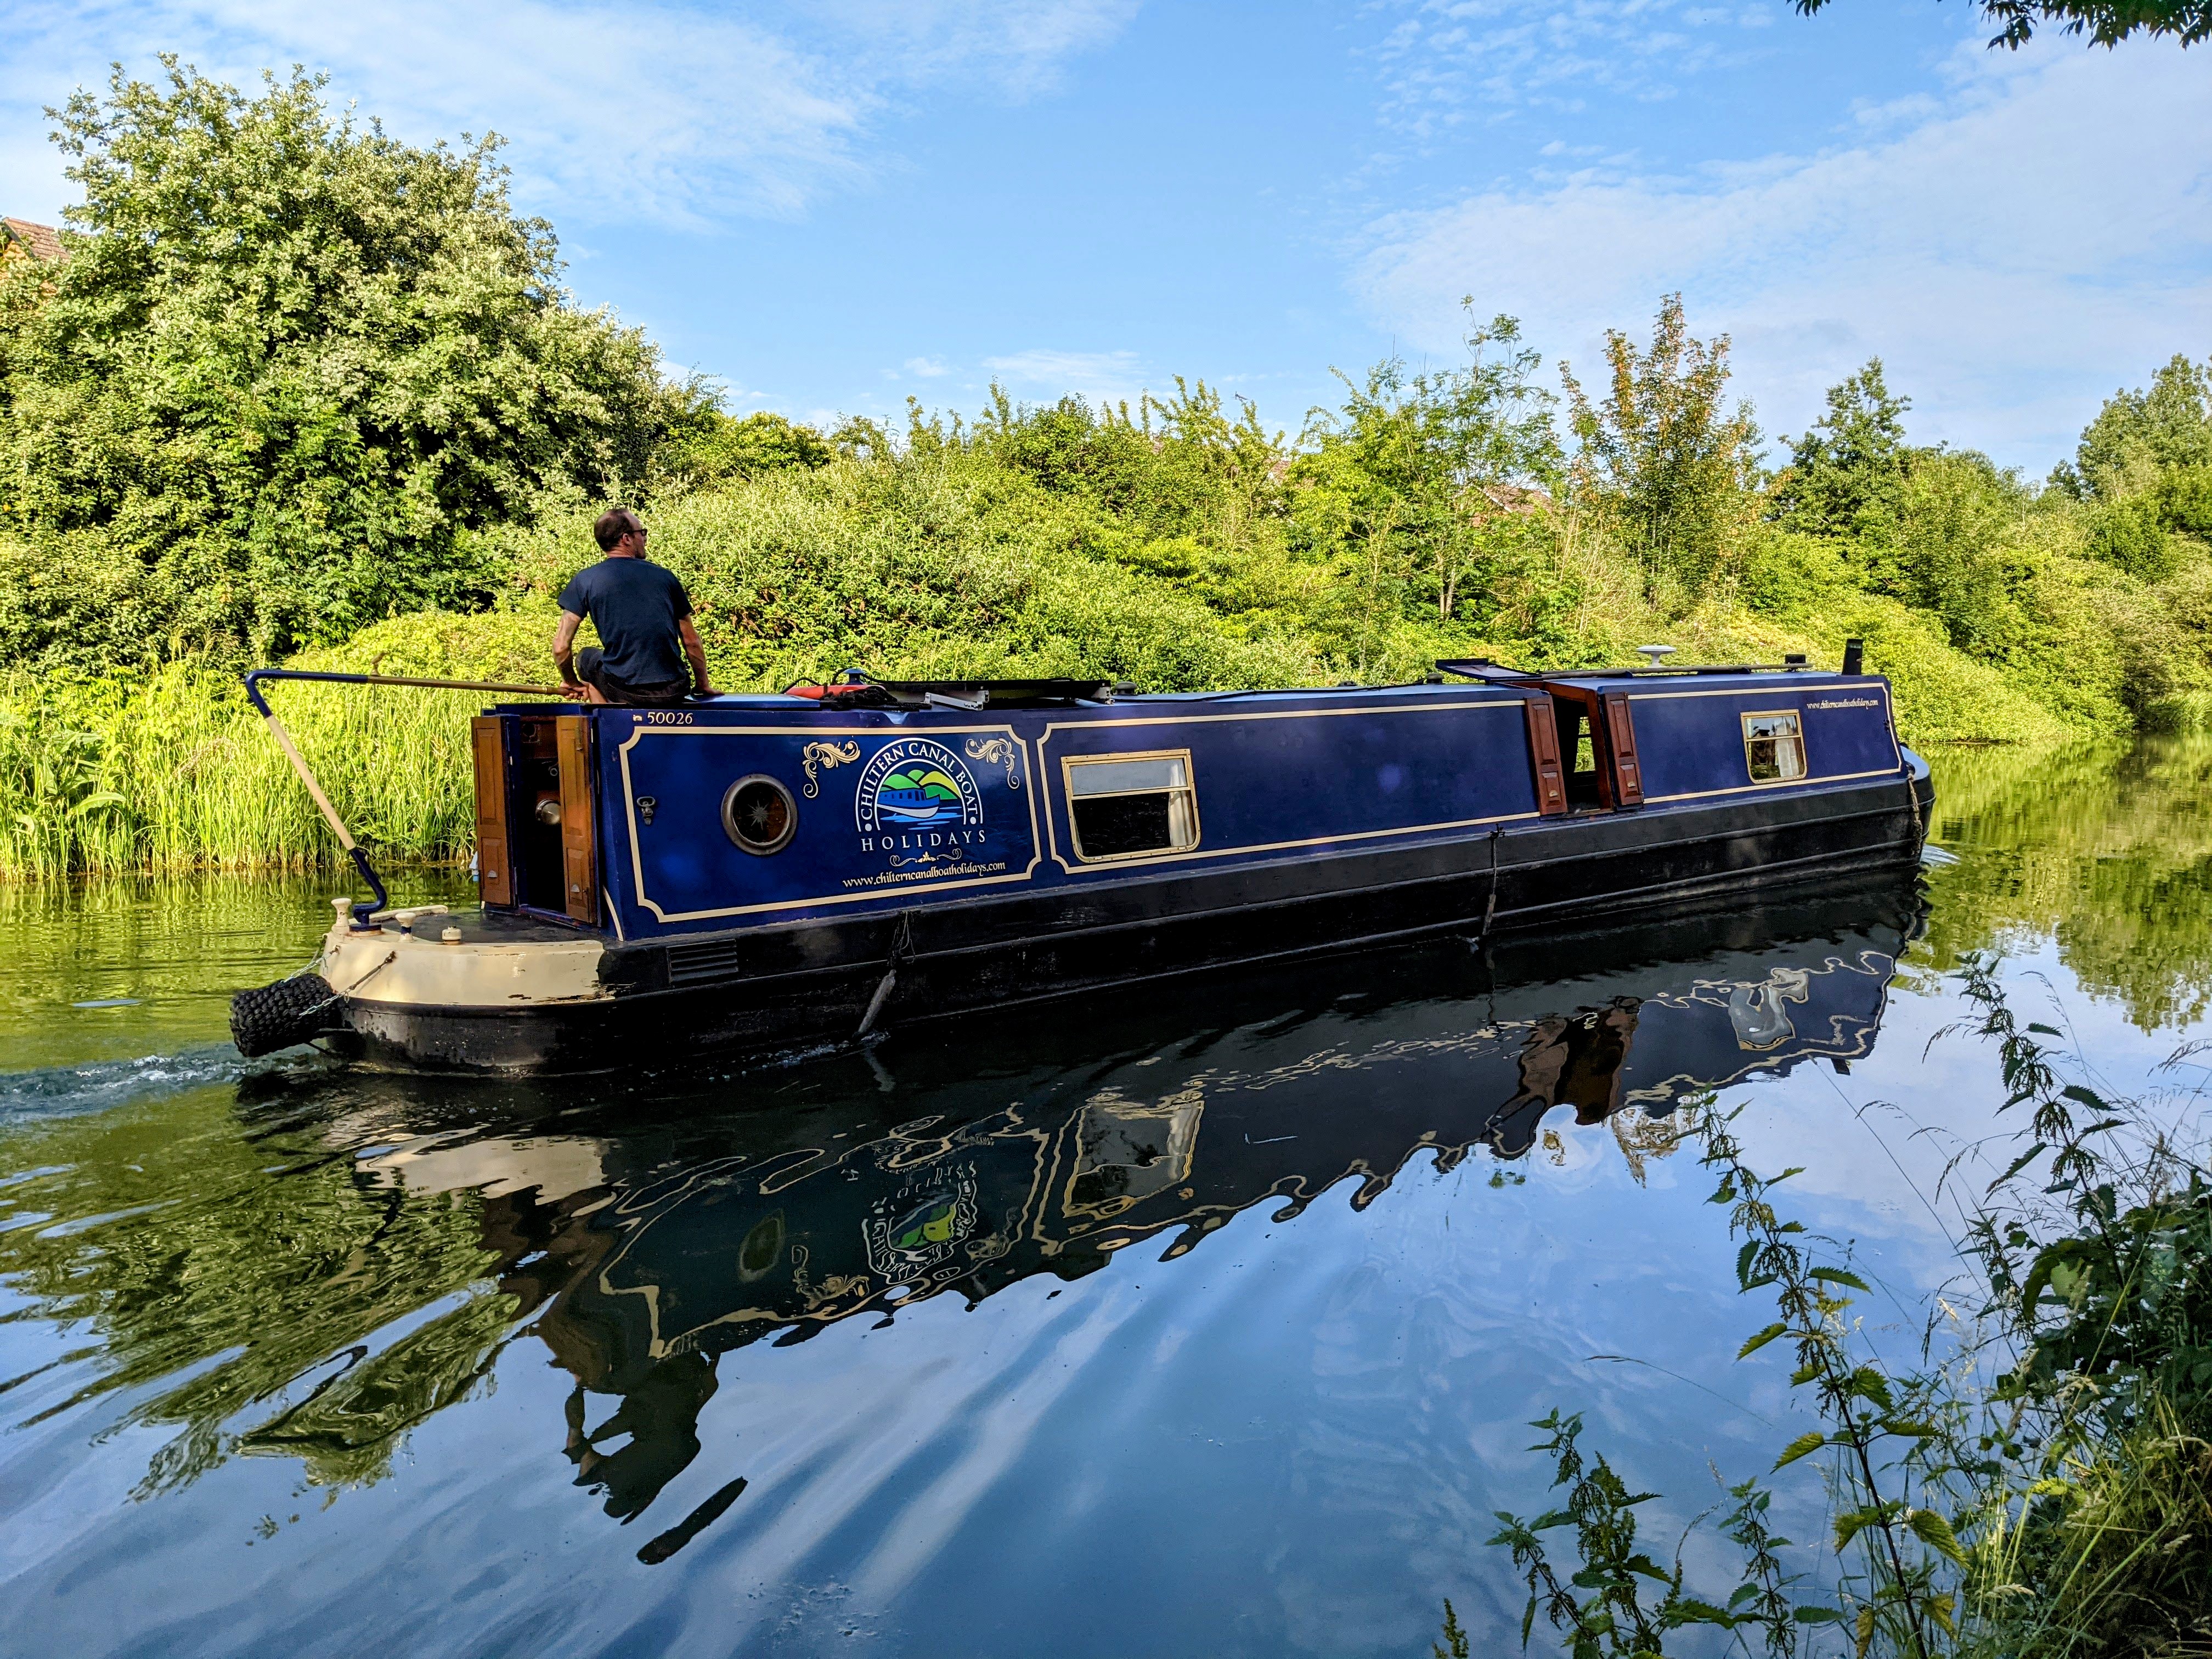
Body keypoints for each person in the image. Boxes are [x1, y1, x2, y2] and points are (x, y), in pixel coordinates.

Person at [553, 508, 714, 707]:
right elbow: (691, 641)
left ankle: (608, 721)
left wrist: (571, 682)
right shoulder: (665, 577)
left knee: (586, 658)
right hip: (674, 690)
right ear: (626, 539)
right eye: (642, 532)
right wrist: (702, 685)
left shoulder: (585, 580)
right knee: (591, 659)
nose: (645, 538)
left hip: (624, 691)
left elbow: (561, 648)